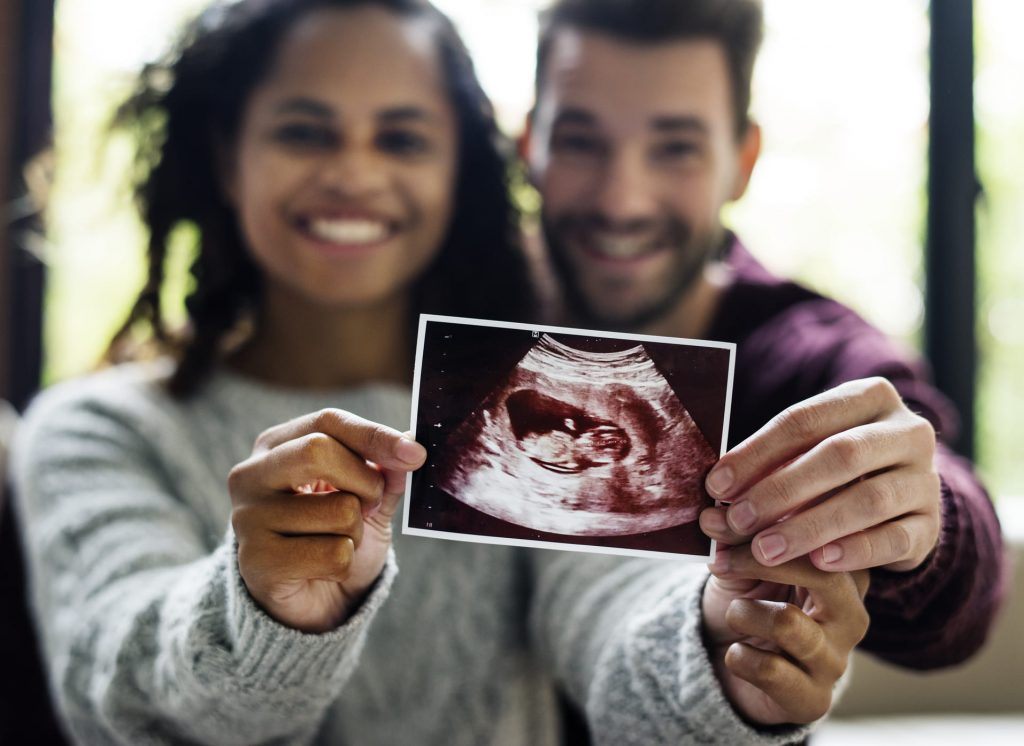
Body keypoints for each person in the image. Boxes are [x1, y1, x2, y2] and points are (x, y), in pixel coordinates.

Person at [11, 0, 868, 744]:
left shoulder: (526, 400)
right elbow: (112, 686)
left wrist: (719, 651)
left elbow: (610, 607)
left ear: (458, 171)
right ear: (227, 156)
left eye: (403, 138)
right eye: (304, 131)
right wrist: (258, 608)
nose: (355, 172)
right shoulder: (100, 429)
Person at [521, 0, 1006, 669]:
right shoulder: (438, 303)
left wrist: (924, 519)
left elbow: (961, 588)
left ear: (742, 162)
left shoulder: (804, 353)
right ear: (530, 145)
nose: (621, 200)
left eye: (676, 148)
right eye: (580, 141)